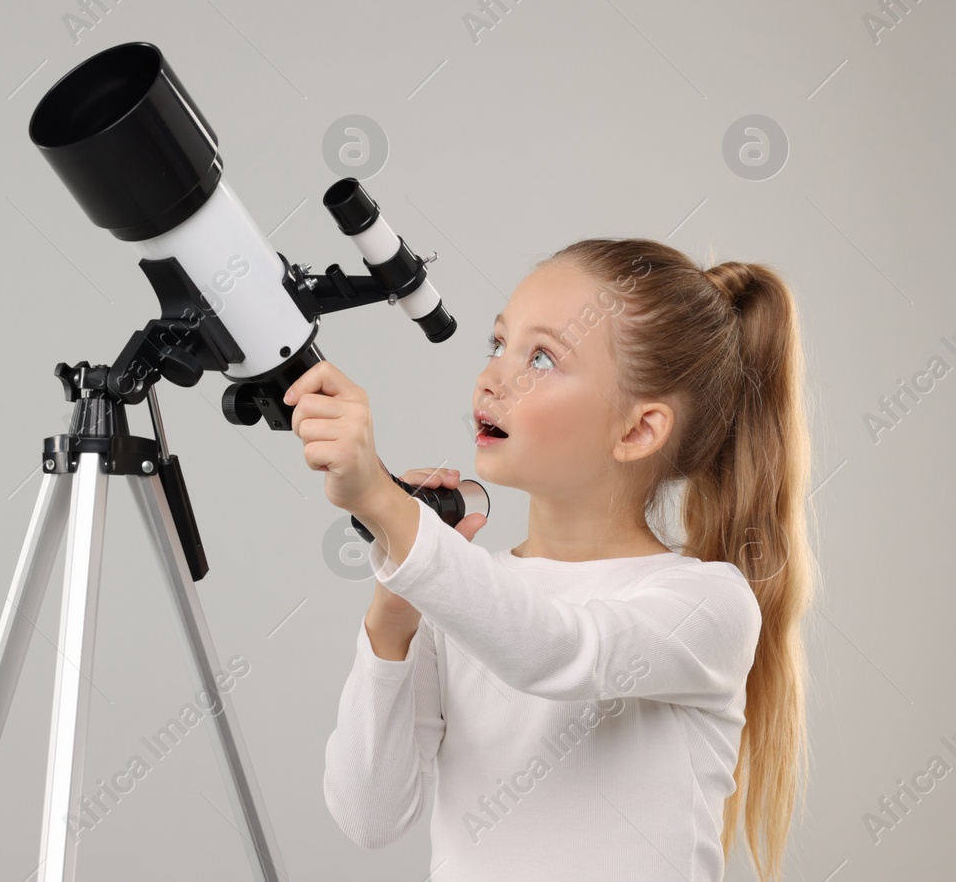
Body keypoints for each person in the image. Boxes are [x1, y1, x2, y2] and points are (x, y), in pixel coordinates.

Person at [284, 238, 815, 882]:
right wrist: (395, 608)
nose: (492, 377)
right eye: (498, 344)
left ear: (637, 430)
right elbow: (370, 816)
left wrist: (388, 510)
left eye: (540, 357)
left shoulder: (709, 603)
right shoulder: (458, 593)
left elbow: (559, 654)